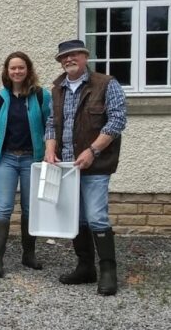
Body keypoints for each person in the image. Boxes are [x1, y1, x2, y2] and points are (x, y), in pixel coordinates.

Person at [44, 39, 127, 296]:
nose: (68, 60)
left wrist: (93, 151)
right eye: (63, 57)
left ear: (85, 57)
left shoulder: (106, 83)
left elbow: (117, 120)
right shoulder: (57, 89)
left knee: (96, 217)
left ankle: (108, 272)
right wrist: (49, 149)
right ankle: (85, 268)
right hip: (67, 166)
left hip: (95, 164)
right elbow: (51, 122)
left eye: (73, 55)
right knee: (76, 218)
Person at [0, 52, 51, 278]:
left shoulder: (42, 96)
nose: (16, 72)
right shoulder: (1, 98)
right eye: (12, 68)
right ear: (7, 71)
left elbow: (50, 125)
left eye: (21, 68)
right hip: (6, 159)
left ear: (28, 70)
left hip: (31, 159)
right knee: (3, 208)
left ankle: (29, 254)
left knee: (29, 208)